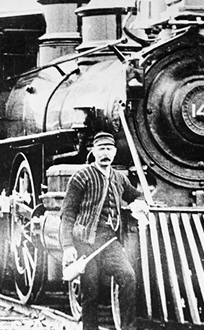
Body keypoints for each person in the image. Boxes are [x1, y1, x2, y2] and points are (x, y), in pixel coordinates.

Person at [60, 131, 147, 330]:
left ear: (115, 152)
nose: (105, 153)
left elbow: (135, 196)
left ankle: (128, 328)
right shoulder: (81, 177)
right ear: (93, 151)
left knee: (128, 277)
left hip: (109, 242)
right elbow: (68, 213)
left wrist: (140, 204)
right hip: (85, 243)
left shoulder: (119, 178)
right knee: (90, 290)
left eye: (109, 149)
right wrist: (67, 246)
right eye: (101, 149)